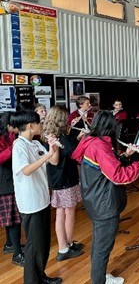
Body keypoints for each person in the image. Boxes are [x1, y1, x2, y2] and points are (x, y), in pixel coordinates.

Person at [71, 111, 139, 284]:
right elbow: (118, 176)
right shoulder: (99, 146)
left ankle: (100, 276)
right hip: (104, 204)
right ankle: (99, 280)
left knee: (99, 243)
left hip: (96, 200)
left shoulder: (92, 141)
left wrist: (127, 155)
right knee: (102, 247)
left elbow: (105, 168)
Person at [11, 110, 62, 284]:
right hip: (30, 203)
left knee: (43, 244)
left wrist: (52, 147)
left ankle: (40, 276)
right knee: (34, 246)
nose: (42, 125)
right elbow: (25, 170)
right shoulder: (19, 145)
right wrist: (47, 155)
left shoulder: (35, 143)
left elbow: (53, 161)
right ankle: (32, 281)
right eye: (39, 122)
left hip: (42, 200)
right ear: (31, 125)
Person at [42, 106, 84, 262]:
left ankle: (67, 243)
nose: (68, 120)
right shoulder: (57, 136)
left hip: (61, 178)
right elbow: (68, 154)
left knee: (63, 212)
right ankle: (63, 248)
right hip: (63, 179)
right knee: (67, 212)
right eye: (66, 118)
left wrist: (76, 137)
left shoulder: (57, 134)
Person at [0, 112, 24, 267]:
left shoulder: (9, 135)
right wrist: (12, 147)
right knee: (14, 219)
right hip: (5, 182)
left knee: (11, 218)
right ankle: (17, 254)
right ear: (7, 126)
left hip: (9, 180)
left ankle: (10, 244)